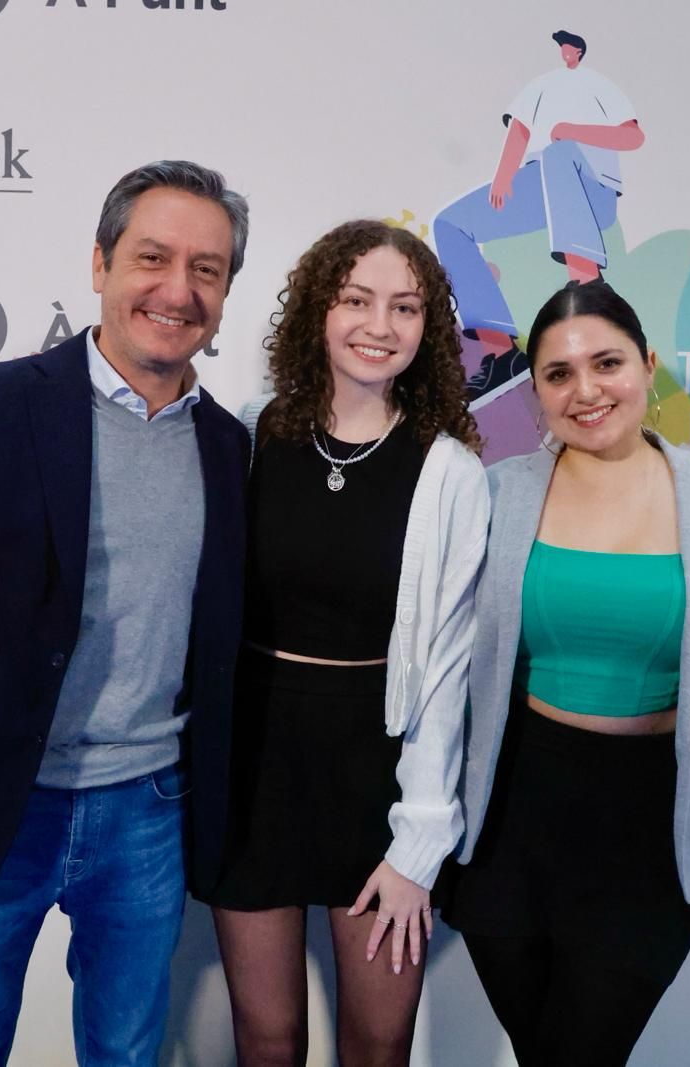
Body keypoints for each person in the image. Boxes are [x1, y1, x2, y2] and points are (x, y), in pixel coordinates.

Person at [0, 160, 252, 1067]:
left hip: (148, 814)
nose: (177, 290)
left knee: (126, 1054)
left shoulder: (228, 448)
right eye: (152, 257)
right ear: (99, 263)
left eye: (207, 270)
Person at [441, 282, 690, 1064]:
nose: (586, 391)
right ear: (537, 389)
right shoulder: (496, 491)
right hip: (511, 822)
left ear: (647, 366)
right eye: (558, 374)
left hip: (651, 829)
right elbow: (446, 667)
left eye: (606, 362)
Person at [196, 220, 488, 1065]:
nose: (378, 325)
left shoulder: (449, 473)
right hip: (252, 771)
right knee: (268, 1035)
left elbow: (445, 675)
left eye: (405, 307)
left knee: (378, 1040)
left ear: (428, 328)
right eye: (356, 299)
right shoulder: (251, 432)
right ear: (318, 311)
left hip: (379, 780)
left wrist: (420, 840)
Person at [433, 29, 644, 407]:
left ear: (579, 51)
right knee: (450, 223)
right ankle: (501, 354)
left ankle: (587, 282)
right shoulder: (540, 87)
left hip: (591, 185)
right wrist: (503, 177)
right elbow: (519, 131)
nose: (565, 51)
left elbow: (632, 138)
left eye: (571, 45)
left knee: (559, 153)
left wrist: (572, 132)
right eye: (560, 45)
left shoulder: (598, 86)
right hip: (537, 184)